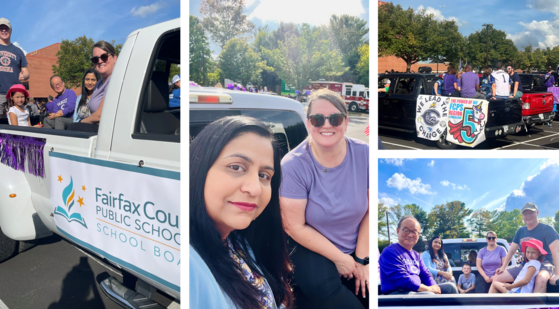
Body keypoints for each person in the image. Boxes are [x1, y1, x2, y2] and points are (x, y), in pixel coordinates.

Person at [187, 115, 295, 309]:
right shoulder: (189, 263)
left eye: (264, 175)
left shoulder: (239, 240)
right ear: (198, 169)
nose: (255, 189)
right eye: (236, 167)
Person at [279, 88, 372, 308]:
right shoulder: (293, 165)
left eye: (335, 118)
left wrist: (361, 260)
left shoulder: (365, 154)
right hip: (311, 248)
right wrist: (341, 259)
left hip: (357, 245)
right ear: (309, 124)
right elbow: (294, 226)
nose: (327, 125)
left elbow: (370, 210)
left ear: (346, 122)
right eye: (318, 119)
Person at [379, 216, 458, 295]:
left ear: (418, 234)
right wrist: (428, 289)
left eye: (414, 232)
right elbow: (402, 280)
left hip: (416, 290)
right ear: (398, 231)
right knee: (429, 295)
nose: (410, 235)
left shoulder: (416, 255)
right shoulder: (390, 252)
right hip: (398, 292)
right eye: (406, 230)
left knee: (451, 287)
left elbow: (426, 274)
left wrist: (434, 286)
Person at [493, 203, 559, 293]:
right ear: (522, 215)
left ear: (537, 213)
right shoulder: (520, 231)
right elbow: (512, 250)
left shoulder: (547, 229)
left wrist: (558, 274)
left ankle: (534, 306)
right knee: (496, 278)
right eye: (525, 214)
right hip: (526, 265)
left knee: (541, 280)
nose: (528, 216)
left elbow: (556, 252)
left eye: (531, 213)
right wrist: (503, 267)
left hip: (545, 265)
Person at [67, 41, 117, 133]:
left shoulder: (114, 80)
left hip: (110, 131)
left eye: (104, 56)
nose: (100, 61)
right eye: (95, 59)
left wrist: (80, 123)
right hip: (98, 128)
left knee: (72, 128)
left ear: (114, 58)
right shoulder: (99, 84)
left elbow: (100, 115)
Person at [0, 18, 29, 118]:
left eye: (6, 28)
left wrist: (24, 76)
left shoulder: (18, 51)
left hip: (15, 94)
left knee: (17, 123)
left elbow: (26, 72)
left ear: (10, 30)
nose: (4, 31)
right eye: (1, 29)